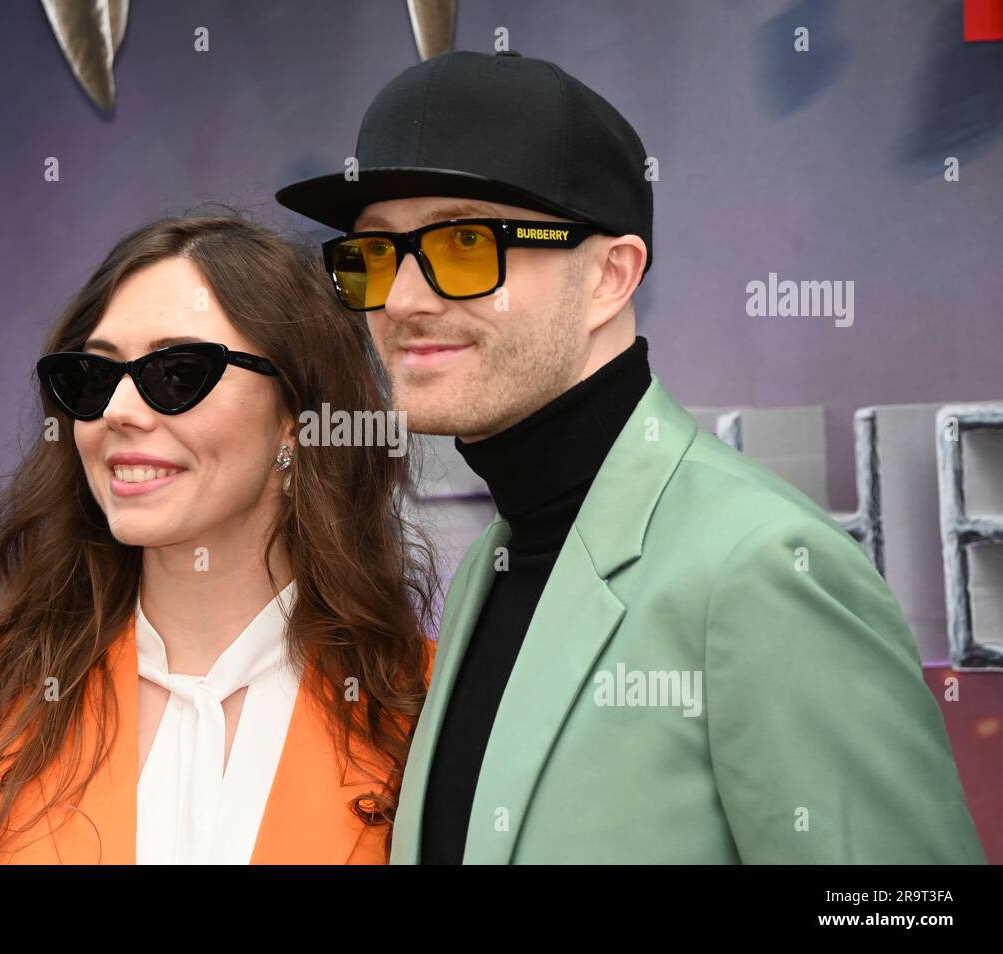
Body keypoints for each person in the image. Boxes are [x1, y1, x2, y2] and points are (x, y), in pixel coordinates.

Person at [276, 50, 986, 864]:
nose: (400, 299)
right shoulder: (493, 565)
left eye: (465, 244)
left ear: (612, 276)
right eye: (372, 255)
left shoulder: (760, 569)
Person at [0, 214, 437, 864]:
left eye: (177, 374)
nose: (117, 411)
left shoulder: (425, 706)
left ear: (295, 418)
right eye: (93, 378)